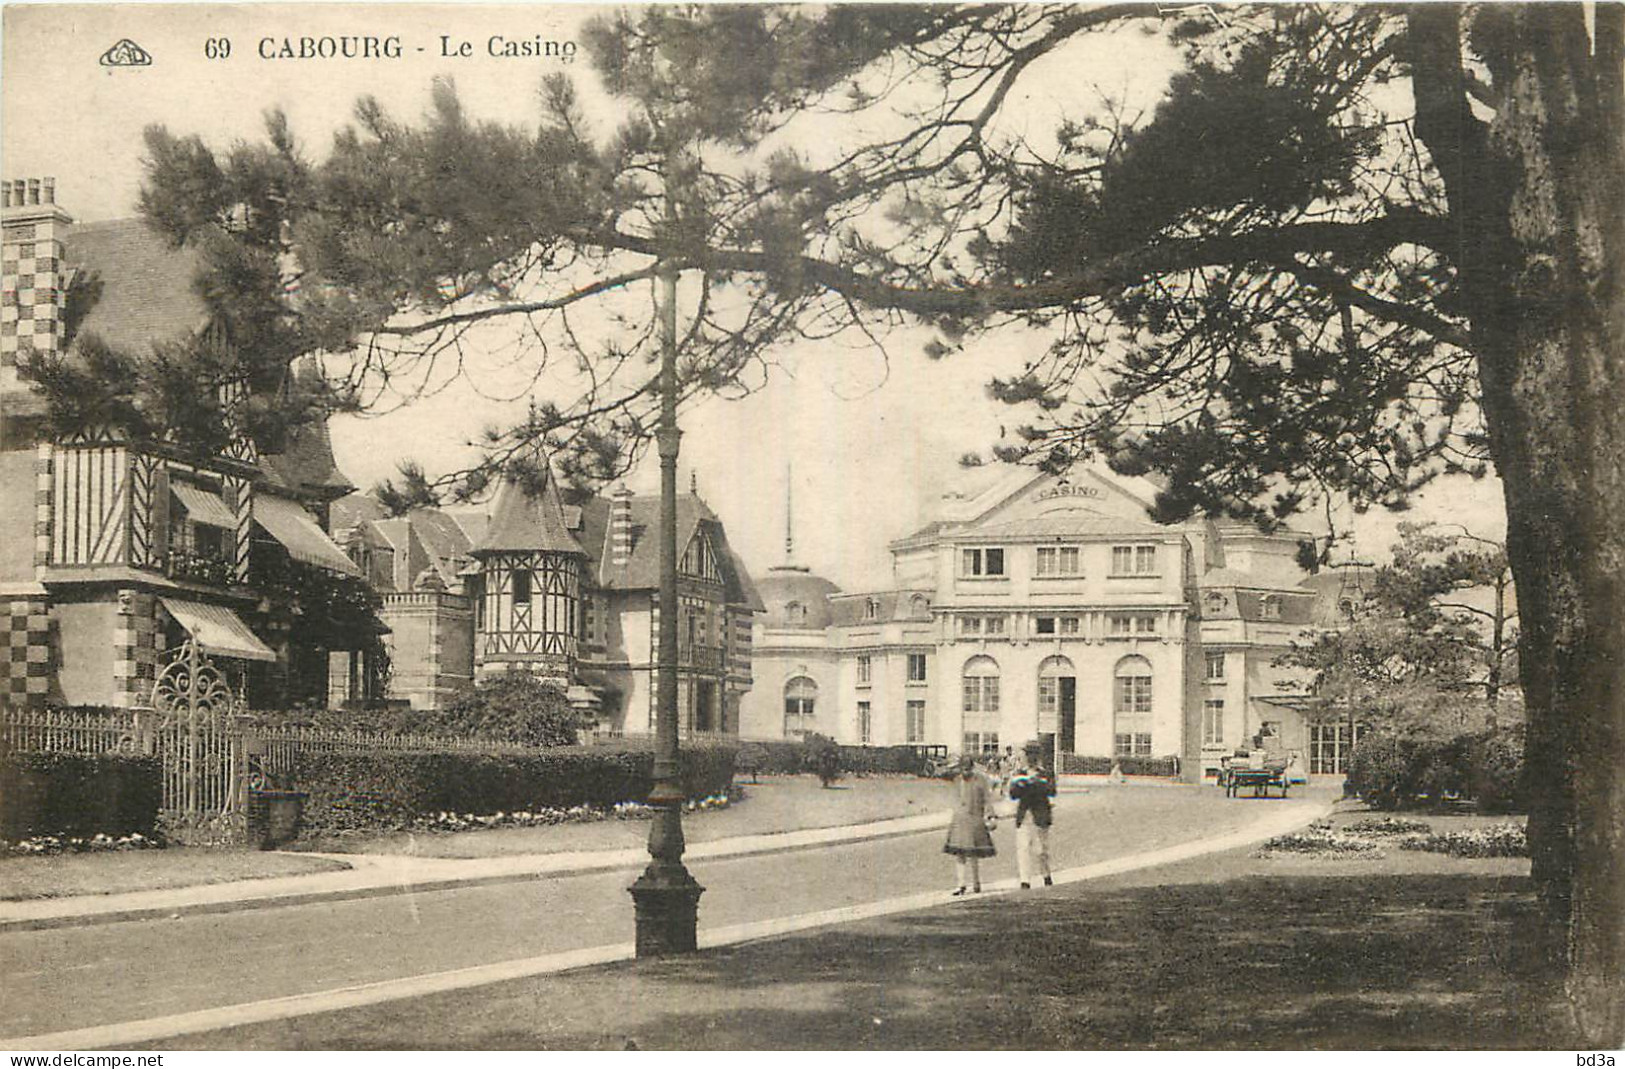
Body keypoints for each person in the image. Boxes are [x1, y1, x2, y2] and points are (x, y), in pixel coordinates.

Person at [943, 755, 996, 895]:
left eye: (968, 769)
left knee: (973, 854)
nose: (965, 772)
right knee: (959, 853)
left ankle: (976, 882)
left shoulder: (980, 780)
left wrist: (990, 816)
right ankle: (961, 884)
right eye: (963, 769)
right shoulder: (958, 780)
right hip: (960, 819)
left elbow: (987, 799)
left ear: (972, 768)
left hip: (975, 819)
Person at [1008, 747, 1057, 889]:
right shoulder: (1019, 773)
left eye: (1033, 754)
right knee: (1023, 847)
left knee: (1041, 849)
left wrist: (1032, 784)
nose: (1030, 758)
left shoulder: (1045, 773)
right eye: (1028, 754)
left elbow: (1052, 790)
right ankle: (1025, 880)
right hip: (1024, 815)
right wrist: (1026, 784)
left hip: (1040, 815)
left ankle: (1046, 875)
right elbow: (1013, 793)